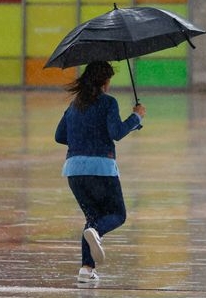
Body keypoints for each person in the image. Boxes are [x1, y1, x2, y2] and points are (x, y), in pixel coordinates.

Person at [54, 61, 146, 284]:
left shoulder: (75, 105)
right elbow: (116, 133)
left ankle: (86, 270)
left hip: (74, 171)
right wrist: (137, 117)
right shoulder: (108, 103)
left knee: (92, 218)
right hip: (101, 169)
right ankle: (96, 234)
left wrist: (82, 137)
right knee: (117, 215)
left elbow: (59, 136)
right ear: (105, 81)